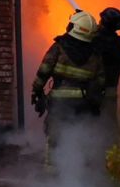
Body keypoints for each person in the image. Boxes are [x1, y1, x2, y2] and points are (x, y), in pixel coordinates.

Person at [30, 10, 107, 168]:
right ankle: (79, 171)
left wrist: (37, 91)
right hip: (84, 103)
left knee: (55, 137)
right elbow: (100, 82)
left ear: (74, 27)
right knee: (80, 136)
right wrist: (95, 103)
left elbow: (44, 70)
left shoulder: (59, 47)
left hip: (60, 101)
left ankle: (53, 173)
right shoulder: (95, 54)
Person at [93, 6, 120, 146]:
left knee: (88, 119)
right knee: (109, 123)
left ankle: (88, 149)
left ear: (103, 21)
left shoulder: (92, 39)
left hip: (91, 89)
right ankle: (112, 152)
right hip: (110, 90)